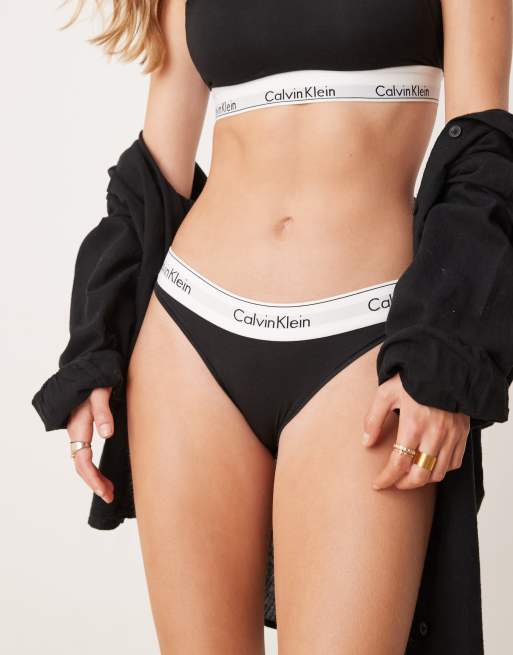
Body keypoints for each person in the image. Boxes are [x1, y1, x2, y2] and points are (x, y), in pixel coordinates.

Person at [35, 1, 512, 654]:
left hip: (364, 342)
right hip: (190, 334)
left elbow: (483, 147)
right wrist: (96, 346)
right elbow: (155, 168)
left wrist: (447, 357)